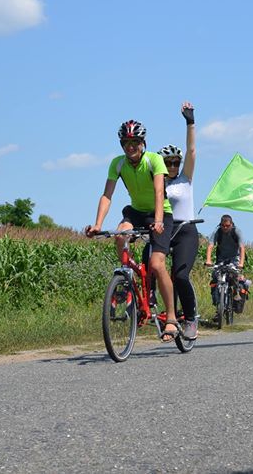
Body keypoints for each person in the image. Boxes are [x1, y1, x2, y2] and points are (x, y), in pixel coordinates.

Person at [85, 120, 178, 342]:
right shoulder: (117, 164)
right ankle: (126, 282)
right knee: (120, 234)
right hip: (135, 211)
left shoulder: (153, 160)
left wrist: (157, 221)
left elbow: (158, 191)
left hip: (159, 213)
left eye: (135, 142)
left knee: (156, 264)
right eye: (126, 142)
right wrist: (97, 223)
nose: (131, 146)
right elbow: (107, 195)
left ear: (143, 142)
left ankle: (172, 319)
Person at [158, 101, 199, 341]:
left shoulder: (186, 178)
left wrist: (190, 122)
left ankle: (191, 317)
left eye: (175, 161)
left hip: (185, 229)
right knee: (154, 269)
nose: (172, 166)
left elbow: (192, 151)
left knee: (180, 275)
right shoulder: (158, 183)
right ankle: (167, 317)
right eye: (168, 162)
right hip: (165, 229)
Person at [205, 215, 249, 317]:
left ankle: (236, 292)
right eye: (223, 225)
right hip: (221, 258)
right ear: (220, 224)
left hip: (234, 258)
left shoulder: (236, 231)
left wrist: (241, 264)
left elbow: (242, 248)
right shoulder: (217, 231)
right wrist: (208, 260)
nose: (225, 228)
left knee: (234, 276)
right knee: (216, 278)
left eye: (227, 226)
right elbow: (210, 246)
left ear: (231, 224)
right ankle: (218, 306)